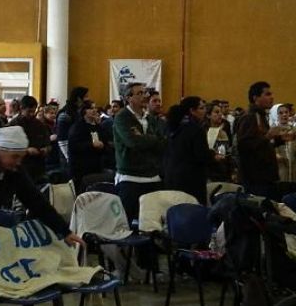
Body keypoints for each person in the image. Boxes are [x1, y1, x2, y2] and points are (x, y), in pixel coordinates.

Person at [113, 83, 166, 221]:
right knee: (129, 221)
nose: (145, 96)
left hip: (152, 176)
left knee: (153, 221)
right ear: (129, 98)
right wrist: (151, 140)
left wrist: (143, 138)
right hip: (131, 177)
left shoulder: (150, 118)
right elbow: (132, 143)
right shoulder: (122, 117)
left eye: (145, 93)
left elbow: (162, 144)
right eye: (140, 93)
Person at [163, 97, 222, 205]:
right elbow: (201, 155)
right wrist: (213, 156)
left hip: (172, 176)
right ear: (192, 111)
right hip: (190, 180)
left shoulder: (173, 127)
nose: (204, 111)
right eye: (201, 108)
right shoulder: (195, 129)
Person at [235, 81, 289, 198]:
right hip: (256, 179)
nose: (272, 97)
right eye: (267, 94)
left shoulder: (261, 116)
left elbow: (261, 145)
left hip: (265, 177)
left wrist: (278, 140)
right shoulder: (250, 117)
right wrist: (268, 137)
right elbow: (244, 146)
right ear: (255, 98)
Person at [67, 100, 112, 192]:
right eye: (91, 108)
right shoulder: (77, 127)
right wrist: (91, 145)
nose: (94, 110)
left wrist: (103, 146)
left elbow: (106, 142)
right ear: (84, 111)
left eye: (95, 108)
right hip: (81, 168)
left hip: (96, 166)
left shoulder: (98, 127)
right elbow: (74, 146)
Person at [9, 96, 51, 183]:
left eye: (33, 111)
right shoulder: (13, 125)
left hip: (38, 168)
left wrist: (46, 149)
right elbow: (7, 147)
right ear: (21, 109)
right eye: (29, 111)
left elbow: (48, 144)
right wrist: (27, 150)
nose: (32, 114)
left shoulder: (40, 125)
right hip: (20, 168)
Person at [274, 103, 296, 184]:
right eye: (281, 113)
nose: (284, 115)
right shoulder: (272, 132)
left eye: (286, 112)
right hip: (280, 171)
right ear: (276, 115)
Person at [56, 87, 89, 163]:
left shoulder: (78, 112)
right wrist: (68, 157)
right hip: (69, 156)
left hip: (78, 153)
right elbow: (62, 138)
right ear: (78, 98)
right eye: (86, 96)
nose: (88, 99)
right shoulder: (65, 114)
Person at [205, 101, 235, 182]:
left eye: (221, 112)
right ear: (208, 115)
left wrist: (232, 171)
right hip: (209, 173)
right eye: (216, 112)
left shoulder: (224, 131)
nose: (220, 114)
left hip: (224, 172)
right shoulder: (204, 132)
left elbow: (227, 152)